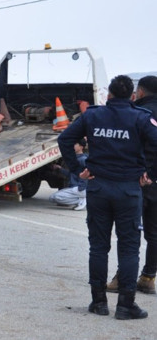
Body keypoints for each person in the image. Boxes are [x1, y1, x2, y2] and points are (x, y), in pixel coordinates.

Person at [58, 75, 157, 320]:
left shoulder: (93, 115)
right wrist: (150, 175)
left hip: (99, 188)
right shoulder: (141, 117)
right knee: (129, 247)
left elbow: (65, 138)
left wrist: (75, 169)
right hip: (128, 190)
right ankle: (125, 305)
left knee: (99, 246)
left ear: (109, 95)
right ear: (132, 96)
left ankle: (99, 302)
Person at [108, 75, 157, 295]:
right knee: (154, 233)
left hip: (137, 179)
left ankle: (122, 278)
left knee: (129, 232)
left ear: (141, 92)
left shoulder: (138, 114)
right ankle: (148, 277)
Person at [49, 140, 88, 209]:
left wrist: (81, 187)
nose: (73, 146)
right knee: (52, 198)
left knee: (55, 197)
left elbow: (88, 174)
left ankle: (83, 200)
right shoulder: (75, 158)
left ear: (81, 147)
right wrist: (60, 168)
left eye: (75, 144)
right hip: (75, 187)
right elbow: (71, 175)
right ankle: (82, 199)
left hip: (80, 188)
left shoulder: (83, 159)